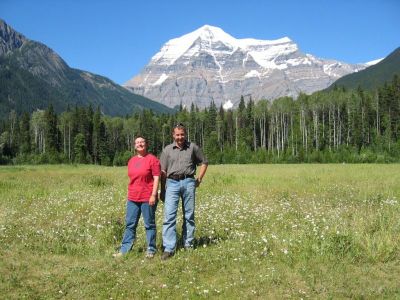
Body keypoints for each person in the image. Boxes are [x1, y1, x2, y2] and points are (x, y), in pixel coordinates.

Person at [159, 123, 208, 260]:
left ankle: (188, 245)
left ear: (185, 134)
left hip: (188, 182)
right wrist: (162, 190)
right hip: (172, 183)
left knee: (189, 215)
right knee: (169, 217)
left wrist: (199, 179)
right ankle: (169, 248)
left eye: (182, 134)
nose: (180, 137)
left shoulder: (193, 147)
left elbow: (204, 162)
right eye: (177, 135)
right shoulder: (167, 150)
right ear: (173, 135)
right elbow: (162, 171)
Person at [113, 136, 160, 259]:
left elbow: (156, 178)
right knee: (130, 224)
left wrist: (154, 195)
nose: (140, 144)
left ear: (146, 144)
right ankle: (125, 249)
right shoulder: (132, 161)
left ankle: (151, 249)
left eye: (142, 142)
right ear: (134, 146)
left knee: (149, 224)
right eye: (137, 142)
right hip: (133, 198)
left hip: (147, 197)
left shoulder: (153, 160)